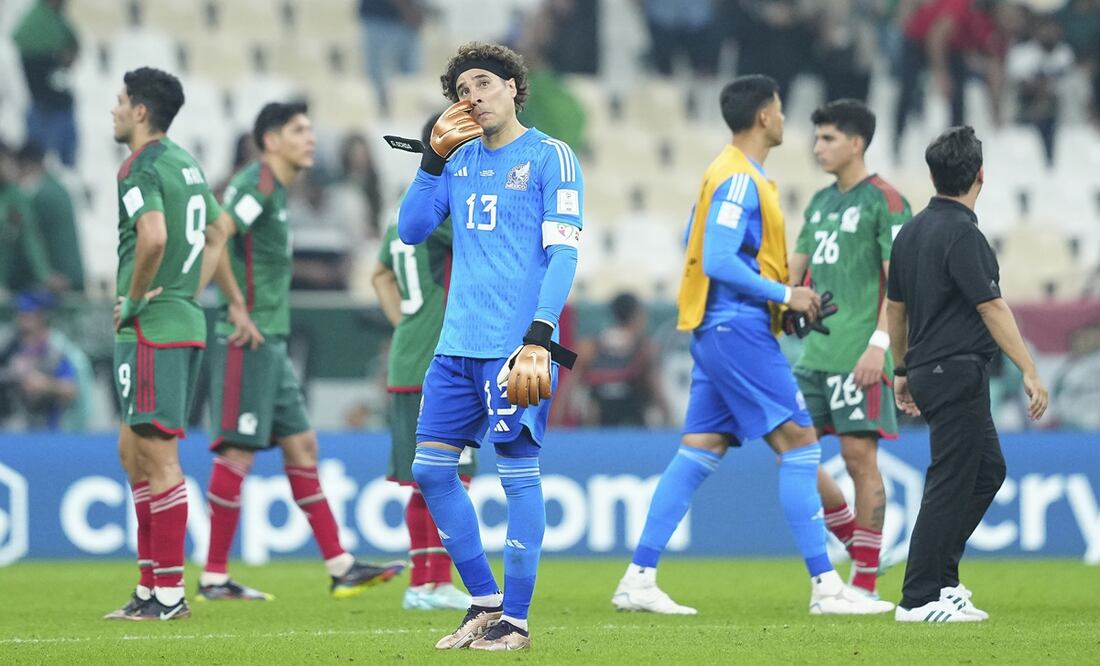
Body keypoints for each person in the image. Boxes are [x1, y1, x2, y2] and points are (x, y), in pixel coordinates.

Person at [611, 75, 894, 617]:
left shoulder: (724, 172)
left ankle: (638, 578)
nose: (785, 119)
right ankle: (827, 587)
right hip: (735, 329)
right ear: (764, 116)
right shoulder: (741, 179)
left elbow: (706, 249)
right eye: (781, 109)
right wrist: (786, 294)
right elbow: (718, 259)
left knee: (699, 450)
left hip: (716, 329)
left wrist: (781, 305)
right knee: (801, 446)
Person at [395, 41, 582, 651]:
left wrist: (541, 334)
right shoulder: (458, 160)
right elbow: (410, 230)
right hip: (456, 345)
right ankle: (484, 601)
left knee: (516, 472)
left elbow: (563, 253)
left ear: (513, 87)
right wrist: (431, 159)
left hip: (515, 347)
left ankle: (517, 622)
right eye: (462, 90)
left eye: (483, 83)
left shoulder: (551, 156)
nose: (472, 97)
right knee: (430, 470)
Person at [194, 102, 404, 602]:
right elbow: (217, 233)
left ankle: (341, 566)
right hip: (247, 337)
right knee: (237, 451)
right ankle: (214, 576)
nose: (311, 138)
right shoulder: (258, 184)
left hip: (271, 338)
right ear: (271, 140)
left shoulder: (276, 189)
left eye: (311, 129)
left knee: (303, 445)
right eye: (299, 130)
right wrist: (234, 304)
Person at [887, 126, 1049, 622]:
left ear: (933, 175)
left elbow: (895, 309)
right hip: (956, 370)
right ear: (981, 175)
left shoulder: (910, 233)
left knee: (986, 472)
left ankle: (943, 581)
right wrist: (1029, 370)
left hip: (929, 368)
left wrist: (901, 368)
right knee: (950, 480)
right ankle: (918, 598)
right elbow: (992, 307)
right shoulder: (964, 235)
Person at [102, 67, 221, 622]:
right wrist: (187, 291)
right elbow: (218, 232)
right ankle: (150, 587)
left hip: (152, 327)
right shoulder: (184, 162)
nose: (114, 110)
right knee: (133, 454)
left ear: (141, 111)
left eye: (120, 101)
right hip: (177, 321)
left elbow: (153, 236)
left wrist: (135, 300)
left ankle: (170, 596)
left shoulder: (141, 166)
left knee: (158, 457)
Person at [789, 99, 911, 598]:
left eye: (828, 138)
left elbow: (900, 285)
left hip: (860, 354)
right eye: (817, 137)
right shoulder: (819, 203)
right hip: (813, 357)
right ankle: (857, 544)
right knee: (791, 451)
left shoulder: (887, 201)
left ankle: (863, 583)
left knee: (860, 461)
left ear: (856, 143)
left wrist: (880, 346)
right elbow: (793, 274)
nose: (817, 147)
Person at [372, 116, 475, 612]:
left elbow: (379, 274)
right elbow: (485, 238)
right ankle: (429, 582)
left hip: (409, 354)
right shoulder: (444, 209)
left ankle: (427, 582)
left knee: (429, 478)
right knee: (448, 476)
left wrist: (404, 324)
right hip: (439, 360)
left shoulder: (403, 211)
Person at [573, 292, 669, 426]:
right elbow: (655, 387)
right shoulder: (646, 349)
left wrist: (555, 424)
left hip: (599, 422)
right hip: (632, 422)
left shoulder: (589, 347)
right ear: (636, 315)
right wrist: (668, 417)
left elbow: (568, 386)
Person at [12, 0, 78, 167]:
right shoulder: (35, 20)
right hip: (40, 103)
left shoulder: (57, 20)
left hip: (55, 101)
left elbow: (73, 43)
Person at [0, 291, 77, 429]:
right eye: (21, 313)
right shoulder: (8, 347)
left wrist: (45, 384)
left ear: (42, 316)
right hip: (10, 427)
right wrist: (14, 375)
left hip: (46, 428)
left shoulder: (55, 350)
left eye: (30, 314)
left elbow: (70, 390)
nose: (24, 318)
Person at [17, 142, 84, 292]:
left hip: (59, 280)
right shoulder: (58, 188)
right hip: (73, 274)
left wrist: (44, 275)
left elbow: (29, 239)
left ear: (27, 165)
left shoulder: (40, 196)